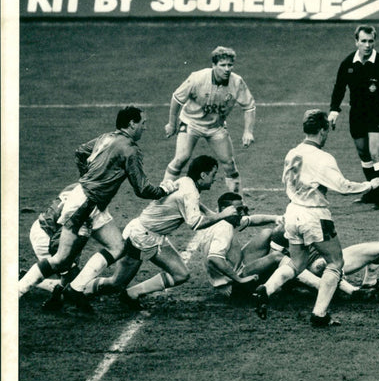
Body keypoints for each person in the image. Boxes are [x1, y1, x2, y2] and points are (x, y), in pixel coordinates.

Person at [18, 106, 176, 312]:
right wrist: (164, 189)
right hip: (84, 205)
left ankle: (75, 289)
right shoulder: (130, 149)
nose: (144, 128)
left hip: (92, 203)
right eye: (142, 123)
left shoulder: (106, 137)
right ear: (131, 124)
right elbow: (142, 188)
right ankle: (17, 291)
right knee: (61, 259)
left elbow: (81, 152)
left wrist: (89, 178)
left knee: (118, 247)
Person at [253, 109, 379, 328]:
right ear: (322, 130)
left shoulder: (292, 153)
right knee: (336, 262)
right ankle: (319, 314)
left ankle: (266, 289)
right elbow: (343, 187)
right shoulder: (323, 158)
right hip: (314, 214)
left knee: (297, 262)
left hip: (292, 212)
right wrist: (369, 185)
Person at [82, 156, 237, 310]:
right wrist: (222, 215)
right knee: (116, 283)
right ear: (203, 175)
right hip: (141, 237)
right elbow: (195, 223)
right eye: (213, 174)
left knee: (181, 274)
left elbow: (188, 201)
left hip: (153, 235)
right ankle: (77, 289)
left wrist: (209, 212)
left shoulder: (186, 181)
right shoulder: (190, 193)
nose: (214, 179)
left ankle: (132, 294)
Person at [162, 46, 256, 193]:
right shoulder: (197, 78)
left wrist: (248, 132)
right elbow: (177, 98)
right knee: (181, 158)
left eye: (230, 65)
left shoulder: (237, 82)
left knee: (229, 164)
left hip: (215, 127)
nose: (227, 69)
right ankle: (161, 195)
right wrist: (172, 123)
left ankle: (237, 204)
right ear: (213, 65)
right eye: (222, 65)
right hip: (191, 123)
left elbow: (249, 107)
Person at [328, 25, 379, 210]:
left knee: (376, 154)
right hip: (357, 114)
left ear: (374, 41)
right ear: (356, 42)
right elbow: (339, 87)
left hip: (377, 113)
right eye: (363, 41)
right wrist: (334, 110)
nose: (367, 45)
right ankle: (374, 191)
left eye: (370, 41)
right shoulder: (348, 63)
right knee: (364, 153)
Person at [255, 221, 379, 299]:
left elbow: (333, 254)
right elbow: (278, 261)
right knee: (320, 265)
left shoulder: (322, 219)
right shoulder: (284, 229)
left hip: (327, 264)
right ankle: (350, 291)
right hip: (304, 273)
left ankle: (369, 283)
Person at [200, 192, 282, 298]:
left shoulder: (223, 219)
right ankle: (305, 280)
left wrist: (276, 218)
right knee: (277, 257)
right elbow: (214, 258)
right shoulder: (223, 228)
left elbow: (252, 219)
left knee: (266, 233)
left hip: (237, 267)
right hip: (235, 284)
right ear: (225, 209)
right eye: (238, 210)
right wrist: (240, 280)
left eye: (242, 209)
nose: (242, 213)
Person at [22, 184, 83, 309]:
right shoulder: (91, 198)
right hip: (48, 238)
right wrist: (67, 268)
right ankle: (21, 285)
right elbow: (57, 242)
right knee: (77, 286)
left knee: (75, 280)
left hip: (40, 228)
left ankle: (29, 277)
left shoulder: (76, 185)